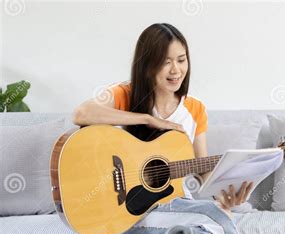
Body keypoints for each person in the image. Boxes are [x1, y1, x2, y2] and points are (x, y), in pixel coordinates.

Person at [72, 23, 253, 221]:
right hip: (128, 209)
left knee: (223, 215)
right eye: (166, 62)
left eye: (181, 60)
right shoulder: (124, 94)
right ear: (147, 65)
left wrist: (224, 197)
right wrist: (148, 119)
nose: (176, 70)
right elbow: (81, 113)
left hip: (176, 204)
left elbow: (202, 170)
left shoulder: (195, 109)